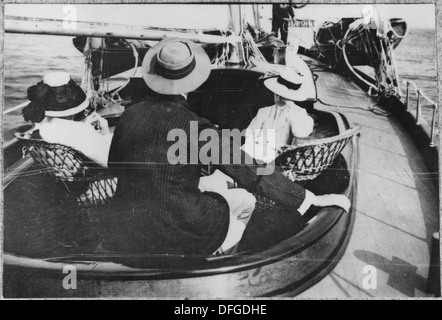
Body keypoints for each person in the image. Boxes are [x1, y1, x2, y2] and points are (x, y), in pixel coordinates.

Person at [106, 38, 350, 256]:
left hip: (128, 228)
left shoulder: (129, 116)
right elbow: (253, 174)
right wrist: (306, 198)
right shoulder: (196, 126)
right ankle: (223, 262)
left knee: (237, 198)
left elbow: (115, 166)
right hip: (180, 232)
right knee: (244, 203)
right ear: (191, 82)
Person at [22, 72, 113, 168]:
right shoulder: (81, 131)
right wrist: (105, 129)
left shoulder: (40, 127)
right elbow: (108, 160)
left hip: (59, 170)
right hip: (93, 175)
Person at [243, 70, 314, 164]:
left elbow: (300, 133)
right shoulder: (264, 111)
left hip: (278, 158)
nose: (278, 98)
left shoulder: (298, 113)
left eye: (283, 95)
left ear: (291, 97)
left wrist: (292, 107)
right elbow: (250, 133)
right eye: (276, 93)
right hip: (255, 150)